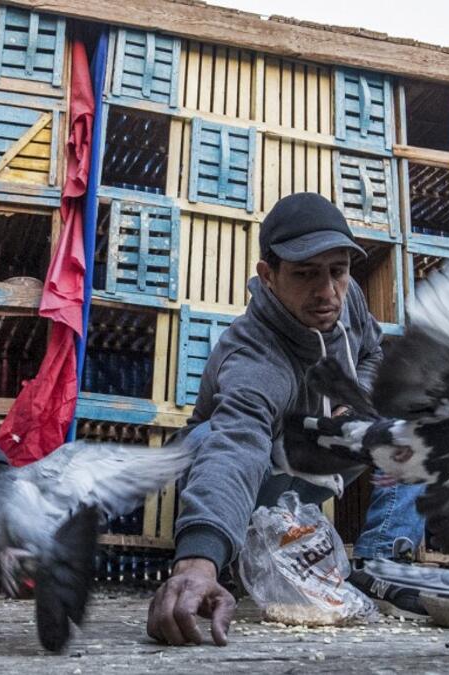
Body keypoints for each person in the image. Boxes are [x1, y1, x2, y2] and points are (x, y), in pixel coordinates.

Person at [147, 192, 426, 647]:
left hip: (311, 462)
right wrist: (198, 561)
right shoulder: (254, 355)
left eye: (337, 271)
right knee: (206, 438)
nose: (327, 291)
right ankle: (227, 560)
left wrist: (355, 405)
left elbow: (374, 351)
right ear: (268, 276)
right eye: (305, 274)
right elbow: (237, 445)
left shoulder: (346, 296)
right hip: (251, 473)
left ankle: (380, 566)